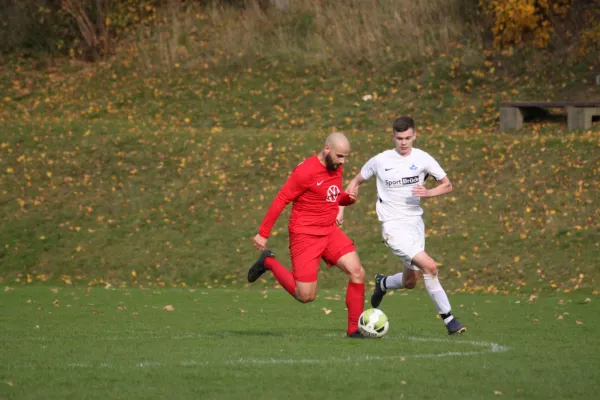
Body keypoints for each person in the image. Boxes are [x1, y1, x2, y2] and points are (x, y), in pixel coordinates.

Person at [337, 117, 466, 335]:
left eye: (407, 138)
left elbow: (447, 184)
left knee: (410, 281)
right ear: (393, 138)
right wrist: (341, 208)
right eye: (399, 139)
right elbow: (355, 181)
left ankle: (383, 283)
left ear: (414, 136)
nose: (403, 143)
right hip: (393, 227)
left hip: (415, 224)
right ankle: (449, 320)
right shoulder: (380, 160)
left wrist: (428, 192)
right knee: (430, 267)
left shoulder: (423, 159)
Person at [248, 132, 367, 338]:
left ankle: (354, 330)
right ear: (327, 149)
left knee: (357, 272)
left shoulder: (335, 166)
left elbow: (332, 194)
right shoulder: (305, 171)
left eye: (346, 157)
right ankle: (268, 261)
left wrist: (347, 199)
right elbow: (281, 199)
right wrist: (263, 233)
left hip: (329, 231)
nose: (343, 161)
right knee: (306, 296)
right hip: (305, 235)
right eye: (340, 156)